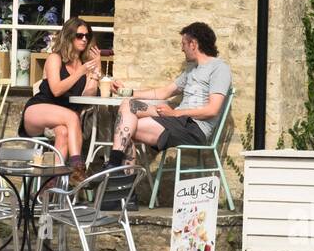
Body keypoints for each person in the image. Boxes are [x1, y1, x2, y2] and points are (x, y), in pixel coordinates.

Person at [104, 21, 230, 172]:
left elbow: (212, 110)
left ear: (193, 44)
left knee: (125, 129)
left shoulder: (219, 68)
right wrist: (128, 92)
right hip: (177, 120)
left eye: (183, 44)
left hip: (194, 128)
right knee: (127, 105)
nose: (181, 48)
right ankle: (116, 166)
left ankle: (116, 169)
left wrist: (175, 113)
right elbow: (164, 92)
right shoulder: (192, 70)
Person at [20, 17, 100, 180]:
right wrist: (80, 72)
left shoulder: (84, 64)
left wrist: (95, 70)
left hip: (62, 120)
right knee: (72, 116)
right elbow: (56, 90)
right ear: (69, 36)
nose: (84, 39)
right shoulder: (55, 58)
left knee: (63, 133)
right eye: (80, 35)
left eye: (87, 36)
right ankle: (78, 168)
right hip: (39, 110)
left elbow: (87, 97)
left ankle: (50, 186)